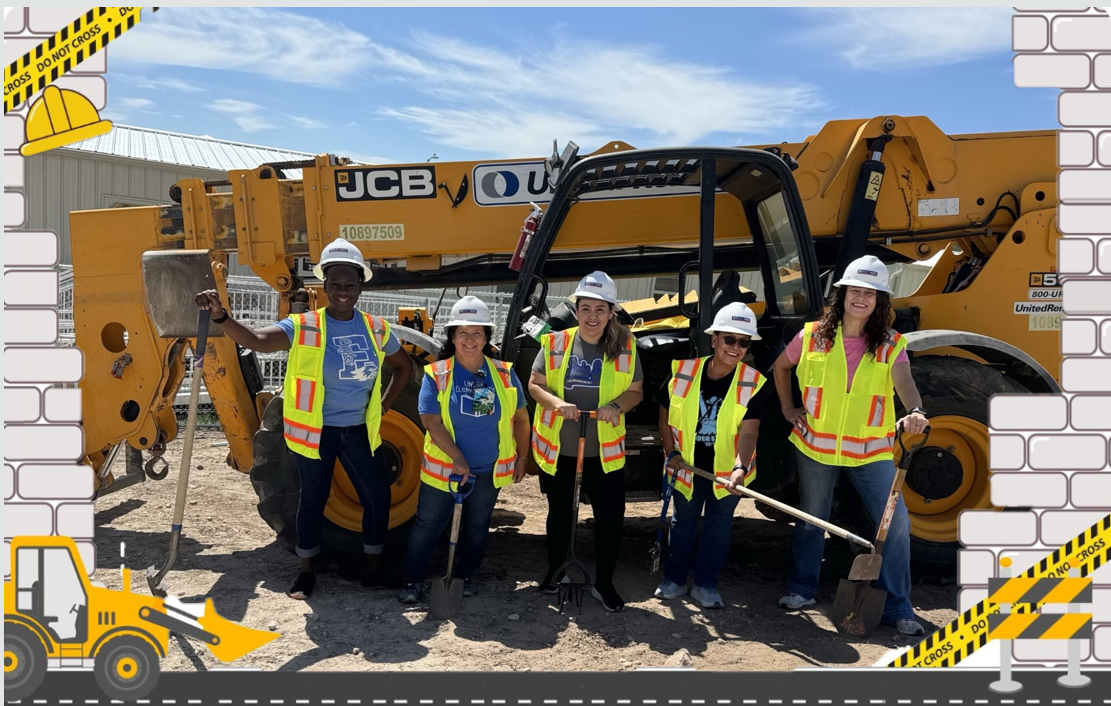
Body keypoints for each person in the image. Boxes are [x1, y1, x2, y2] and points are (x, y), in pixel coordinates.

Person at [196, 237, 413, 600]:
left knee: (377, 496)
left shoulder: (376, 328)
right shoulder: (303, 326)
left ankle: (373, 569)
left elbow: (403, 366)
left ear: (361, 285)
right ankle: (306, 573)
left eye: (350, 283)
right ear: (324, 286)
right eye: (335, 283)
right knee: (312, 499)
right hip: (317, 433)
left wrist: (386, 406)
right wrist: (221, 316)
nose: (342, 291)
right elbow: (259, 340)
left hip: (358, 430)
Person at [772, 255, 929, 636]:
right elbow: (781, 367)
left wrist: (917, 410)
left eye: (870, 293)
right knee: (812, 520)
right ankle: (802, 588)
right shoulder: (811, 336)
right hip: (816, 448)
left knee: (894, 526)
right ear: (841, 295)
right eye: (855, 291)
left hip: (870, 451)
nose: (861, 298)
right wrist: (789, 407)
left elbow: (905, 381)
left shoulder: (891, 343)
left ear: (879, 301)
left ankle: (898, 605)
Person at [398, 296, 531, 603]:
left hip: (487, 471)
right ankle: (412, 581)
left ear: (486, 337)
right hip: (445, 471)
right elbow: (431, 421)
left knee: (476, 526)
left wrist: (522, 458)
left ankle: (467, 576)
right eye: (463, 332)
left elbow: (521, 418)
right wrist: (458, 458)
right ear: (453, 336)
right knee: (428, 526)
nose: (470, 339)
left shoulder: (502, 374)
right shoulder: (438, 374)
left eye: (477, 333)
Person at [528, 271, 644, 613]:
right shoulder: (555, 343)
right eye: (585, 308)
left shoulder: (625, 346)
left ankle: (604, 582)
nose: (592, 316)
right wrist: (556, 404)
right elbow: (535, 384)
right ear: (576, 310)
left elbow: (635, 392)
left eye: (600, 309)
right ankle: (555, 571)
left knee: (610, 518)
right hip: (562, 446)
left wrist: (614, 406)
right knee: (560, 513)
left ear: (611, 312)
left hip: (602, 450)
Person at [654, 302, 770, 609]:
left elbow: (749, 431)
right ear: (714, 339)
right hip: (687, 467)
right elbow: (665, 414)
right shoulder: (683, 372)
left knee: (719, 526)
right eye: (729, 339)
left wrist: (739, 468)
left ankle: (706, 585)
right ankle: (674, 581)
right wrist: (671, 452)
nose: (736, 347)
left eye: (743, 342)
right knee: (683, 523)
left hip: (726, 472)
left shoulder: (753, 383)